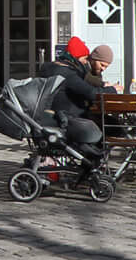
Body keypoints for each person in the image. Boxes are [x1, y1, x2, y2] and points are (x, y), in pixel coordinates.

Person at [44, 36, 104, 169]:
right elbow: (91, 93)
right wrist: (112, 90)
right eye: (83, 59)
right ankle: (90, 167)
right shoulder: (67, 73)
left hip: (52, 115)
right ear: (75, 58)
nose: (85, 63)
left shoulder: (50, 67)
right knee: (104, 127)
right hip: (66, 118)